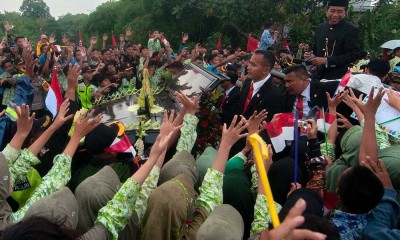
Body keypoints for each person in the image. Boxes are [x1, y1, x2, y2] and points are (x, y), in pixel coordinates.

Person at [310, 0, 361, 80]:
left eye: (340, 11)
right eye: (332, 11)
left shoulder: (351, 29)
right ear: (326, 11)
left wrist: (328, 61)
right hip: (318, 74)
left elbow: (354, 54)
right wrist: (311, 55)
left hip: (339, 77)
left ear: (345, 12)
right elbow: (316, 50)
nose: (335, 15)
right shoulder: (320, 27)